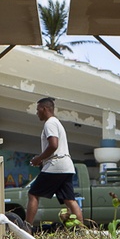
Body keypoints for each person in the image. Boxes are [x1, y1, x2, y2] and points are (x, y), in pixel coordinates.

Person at [26, 97, 84, 227]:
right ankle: (81, 229)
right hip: (66, 165)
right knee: (70, 200)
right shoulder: (56, 122)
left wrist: (38, 159)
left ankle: (27, 227)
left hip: (56, 165)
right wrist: (42, 158)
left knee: (33, 194)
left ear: (45, 109)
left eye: (38, 109)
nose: (37, 113)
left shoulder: (49, 123)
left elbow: (53, 145)